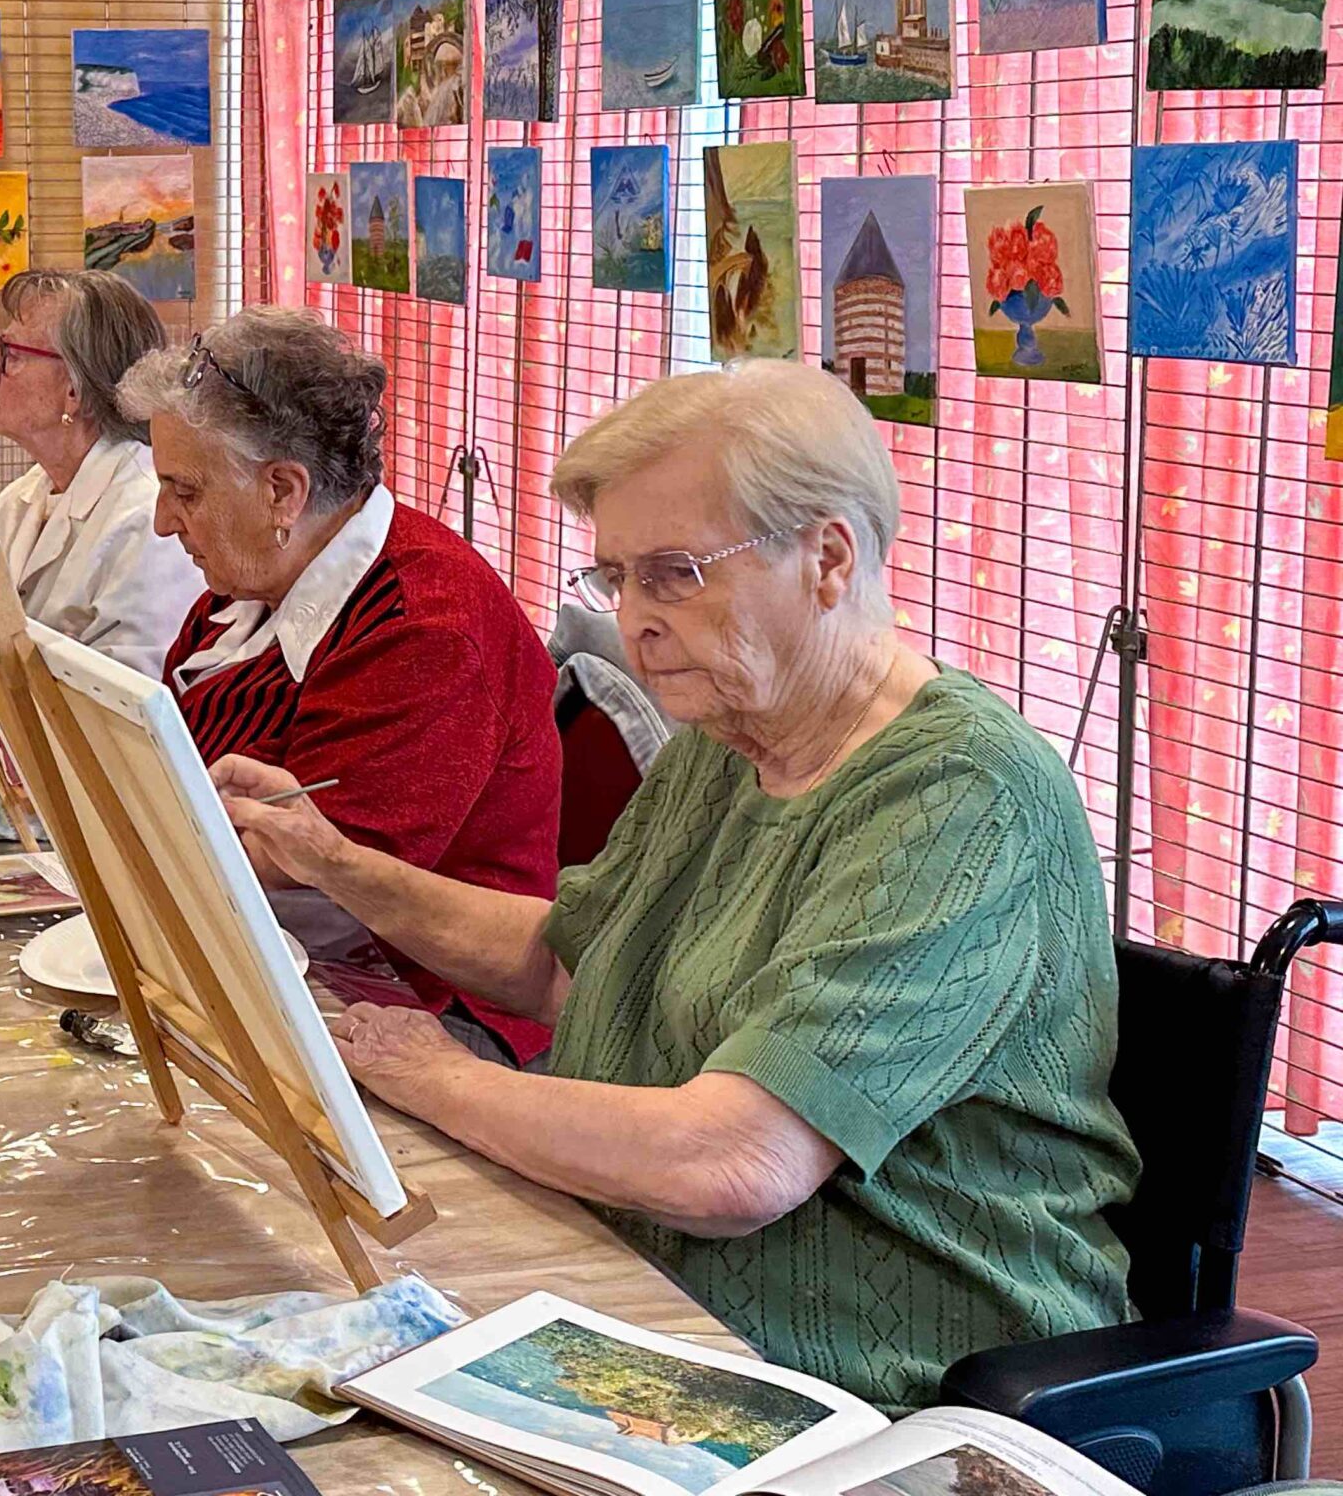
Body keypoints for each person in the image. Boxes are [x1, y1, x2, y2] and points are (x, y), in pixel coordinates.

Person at [214, 360, 1138, 1412]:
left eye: (672, 573)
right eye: (615, 578)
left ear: (827, 558)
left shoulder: (956, 793)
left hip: (882, 1384)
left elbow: (733, 1165)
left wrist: (430, 1075)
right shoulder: (732, 729)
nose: (635, 620)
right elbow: (574, 965)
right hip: (643, 1284)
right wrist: (332, 859)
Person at [116, 307, 560, 1064]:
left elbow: (316, 866)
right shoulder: (246, 584)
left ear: (284, 493)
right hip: (281, 940)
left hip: (435, 999)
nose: (163, 523)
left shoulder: (424, 626)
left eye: (184, 492)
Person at [0, 269, 202, 678]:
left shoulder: (150, 520)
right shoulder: (21, 498)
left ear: (75, 390)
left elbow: (132, 701)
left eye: (10, 355)